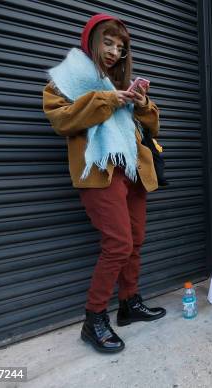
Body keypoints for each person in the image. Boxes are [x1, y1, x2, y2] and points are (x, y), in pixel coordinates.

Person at [42, 14, 166, 354]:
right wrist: (110, 99)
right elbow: (61, 120)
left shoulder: (120, 81)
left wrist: (141, 104)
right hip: (100, 172)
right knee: (118, 245)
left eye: (120, 47)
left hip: (132, 170)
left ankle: (128, 303)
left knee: (135, 242)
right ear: (92, 40)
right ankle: (93, 319)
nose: (114, 52)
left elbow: (151, 128)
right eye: (108, 43)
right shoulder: (67, 79)